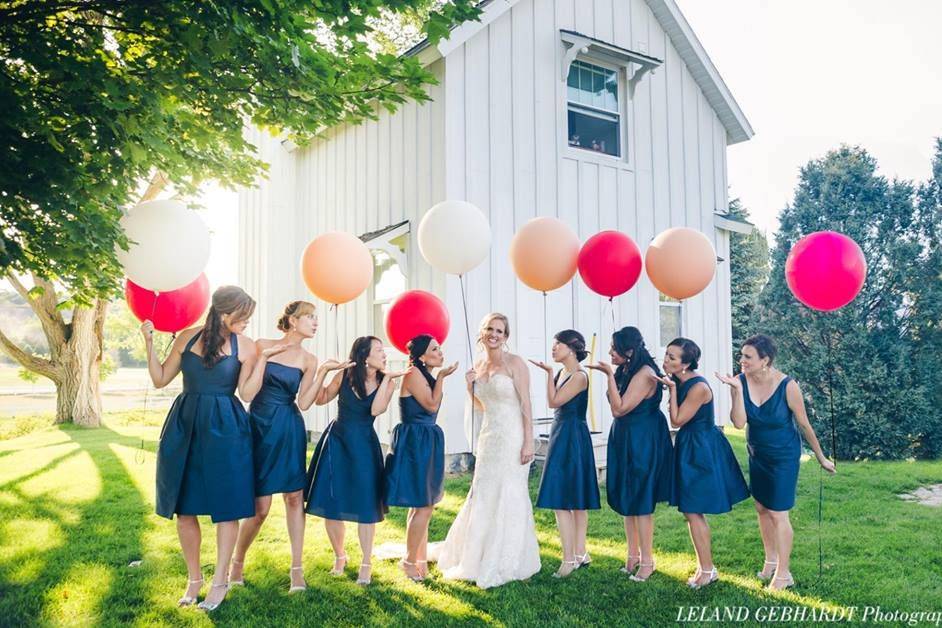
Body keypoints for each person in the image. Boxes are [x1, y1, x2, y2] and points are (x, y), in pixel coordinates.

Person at [147, 285, 257, 611]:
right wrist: (150, 343)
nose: (248, 321)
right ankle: (194, 579)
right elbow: (160, 378)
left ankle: (220, 580)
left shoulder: (247, 347)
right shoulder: (186, 338)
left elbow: (248, 394)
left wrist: (261, 361)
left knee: (228, 507)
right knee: (185, 507)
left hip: (227, 429)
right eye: (244, 315)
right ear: (225, 313)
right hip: (186, 426)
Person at [230, 301, 350, 592]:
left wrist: (322, 372)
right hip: (259, 426)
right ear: (293, 321)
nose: (315, 322)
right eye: (310, 316)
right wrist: (263, 360)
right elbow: (246, 392)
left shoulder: (309, 359)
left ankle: (297, 569)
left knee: (295, 498)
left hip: (289, 427)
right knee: (260, 508)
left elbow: (305, 402)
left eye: (316, 317)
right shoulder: (261, 345)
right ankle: (236, 563)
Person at [716, 334, 835, 590]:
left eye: (748, 356)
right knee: (761, 508)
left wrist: (822, 457)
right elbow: (738, 422)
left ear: (765, 360)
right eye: (741, 355)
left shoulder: (787, 385)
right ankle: (770, 560)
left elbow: (803, 423)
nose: (742, 360)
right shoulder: (740, 381)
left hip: (783, 456)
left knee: (778, 513)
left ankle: (783, 573)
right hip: (757, 452)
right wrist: (736, 392)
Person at [435, 313, 541, 588]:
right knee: (483, 493)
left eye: (500, 331)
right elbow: (483, 405)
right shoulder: (478, 366)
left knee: (510, 491)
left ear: (506, 336)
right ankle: (475, 556)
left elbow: (525, 404)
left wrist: (529, 441)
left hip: (514, 435)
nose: (494, 334)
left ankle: (510, 558)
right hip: (489, 436)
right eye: (490, 329)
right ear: (481, 333)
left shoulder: (515, 363)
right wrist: (469, 387)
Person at [304, 336, 406, 586]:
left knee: (366, 505)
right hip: (337, 441)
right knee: (332, 502)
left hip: (364, 446)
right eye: (379, 351)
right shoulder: (346, 376)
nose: (384, 354)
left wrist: (388, 379)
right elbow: (320, 399)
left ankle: (366, 562)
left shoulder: (387, 382)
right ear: (364, 355)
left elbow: (376, 410)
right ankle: (340, 556)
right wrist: (323, 372)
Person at [656, 337, 749, 589]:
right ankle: (704, 566)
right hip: (689, 445)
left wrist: (672, 391)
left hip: (701, 449)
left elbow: (676, 420)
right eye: (667, 355)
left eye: (672, 358)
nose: (666, 360)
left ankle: (708, 570)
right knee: (689, 511)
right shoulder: (679, 379)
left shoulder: (697, 387)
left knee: (693, 509)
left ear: (686, 364)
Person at [588, 326, 672, 582]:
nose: (611, 353)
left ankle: (648, 561)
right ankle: (632, 556)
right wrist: (613, 375)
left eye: (615, 349)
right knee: (628, 497)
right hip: (625, 436)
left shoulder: (645, 373)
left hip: (642, 438)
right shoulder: (626, 369)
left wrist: (608, 377)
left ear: (630, 351)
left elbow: (620, 408)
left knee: (641, 499)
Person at [384, 334, 458, 581]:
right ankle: (408, 561)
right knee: (425, 505)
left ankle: (419, 559)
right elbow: (431, 405)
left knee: (422, 504)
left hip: (426, 440)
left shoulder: (423, 373)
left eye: (439, 348)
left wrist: (438, 377)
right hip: (415, 442)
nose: (440, 352)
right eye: (434, 349)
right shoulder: (414, 373)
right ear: (422, 355)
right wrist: (443, 378)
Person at [530, 329, 600, 578]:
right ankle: (580, 553)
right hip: (562, 433)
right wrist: (553, 374)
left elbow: (554, 401)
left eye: (557, 344)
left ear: (571, 348)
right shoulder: (563, 372)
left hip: (572, 436)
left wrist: (548, 375)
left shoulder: (579, 376)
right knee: (572, 501)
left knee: (567, 501)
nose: (553, 348)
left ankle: (570, 558)